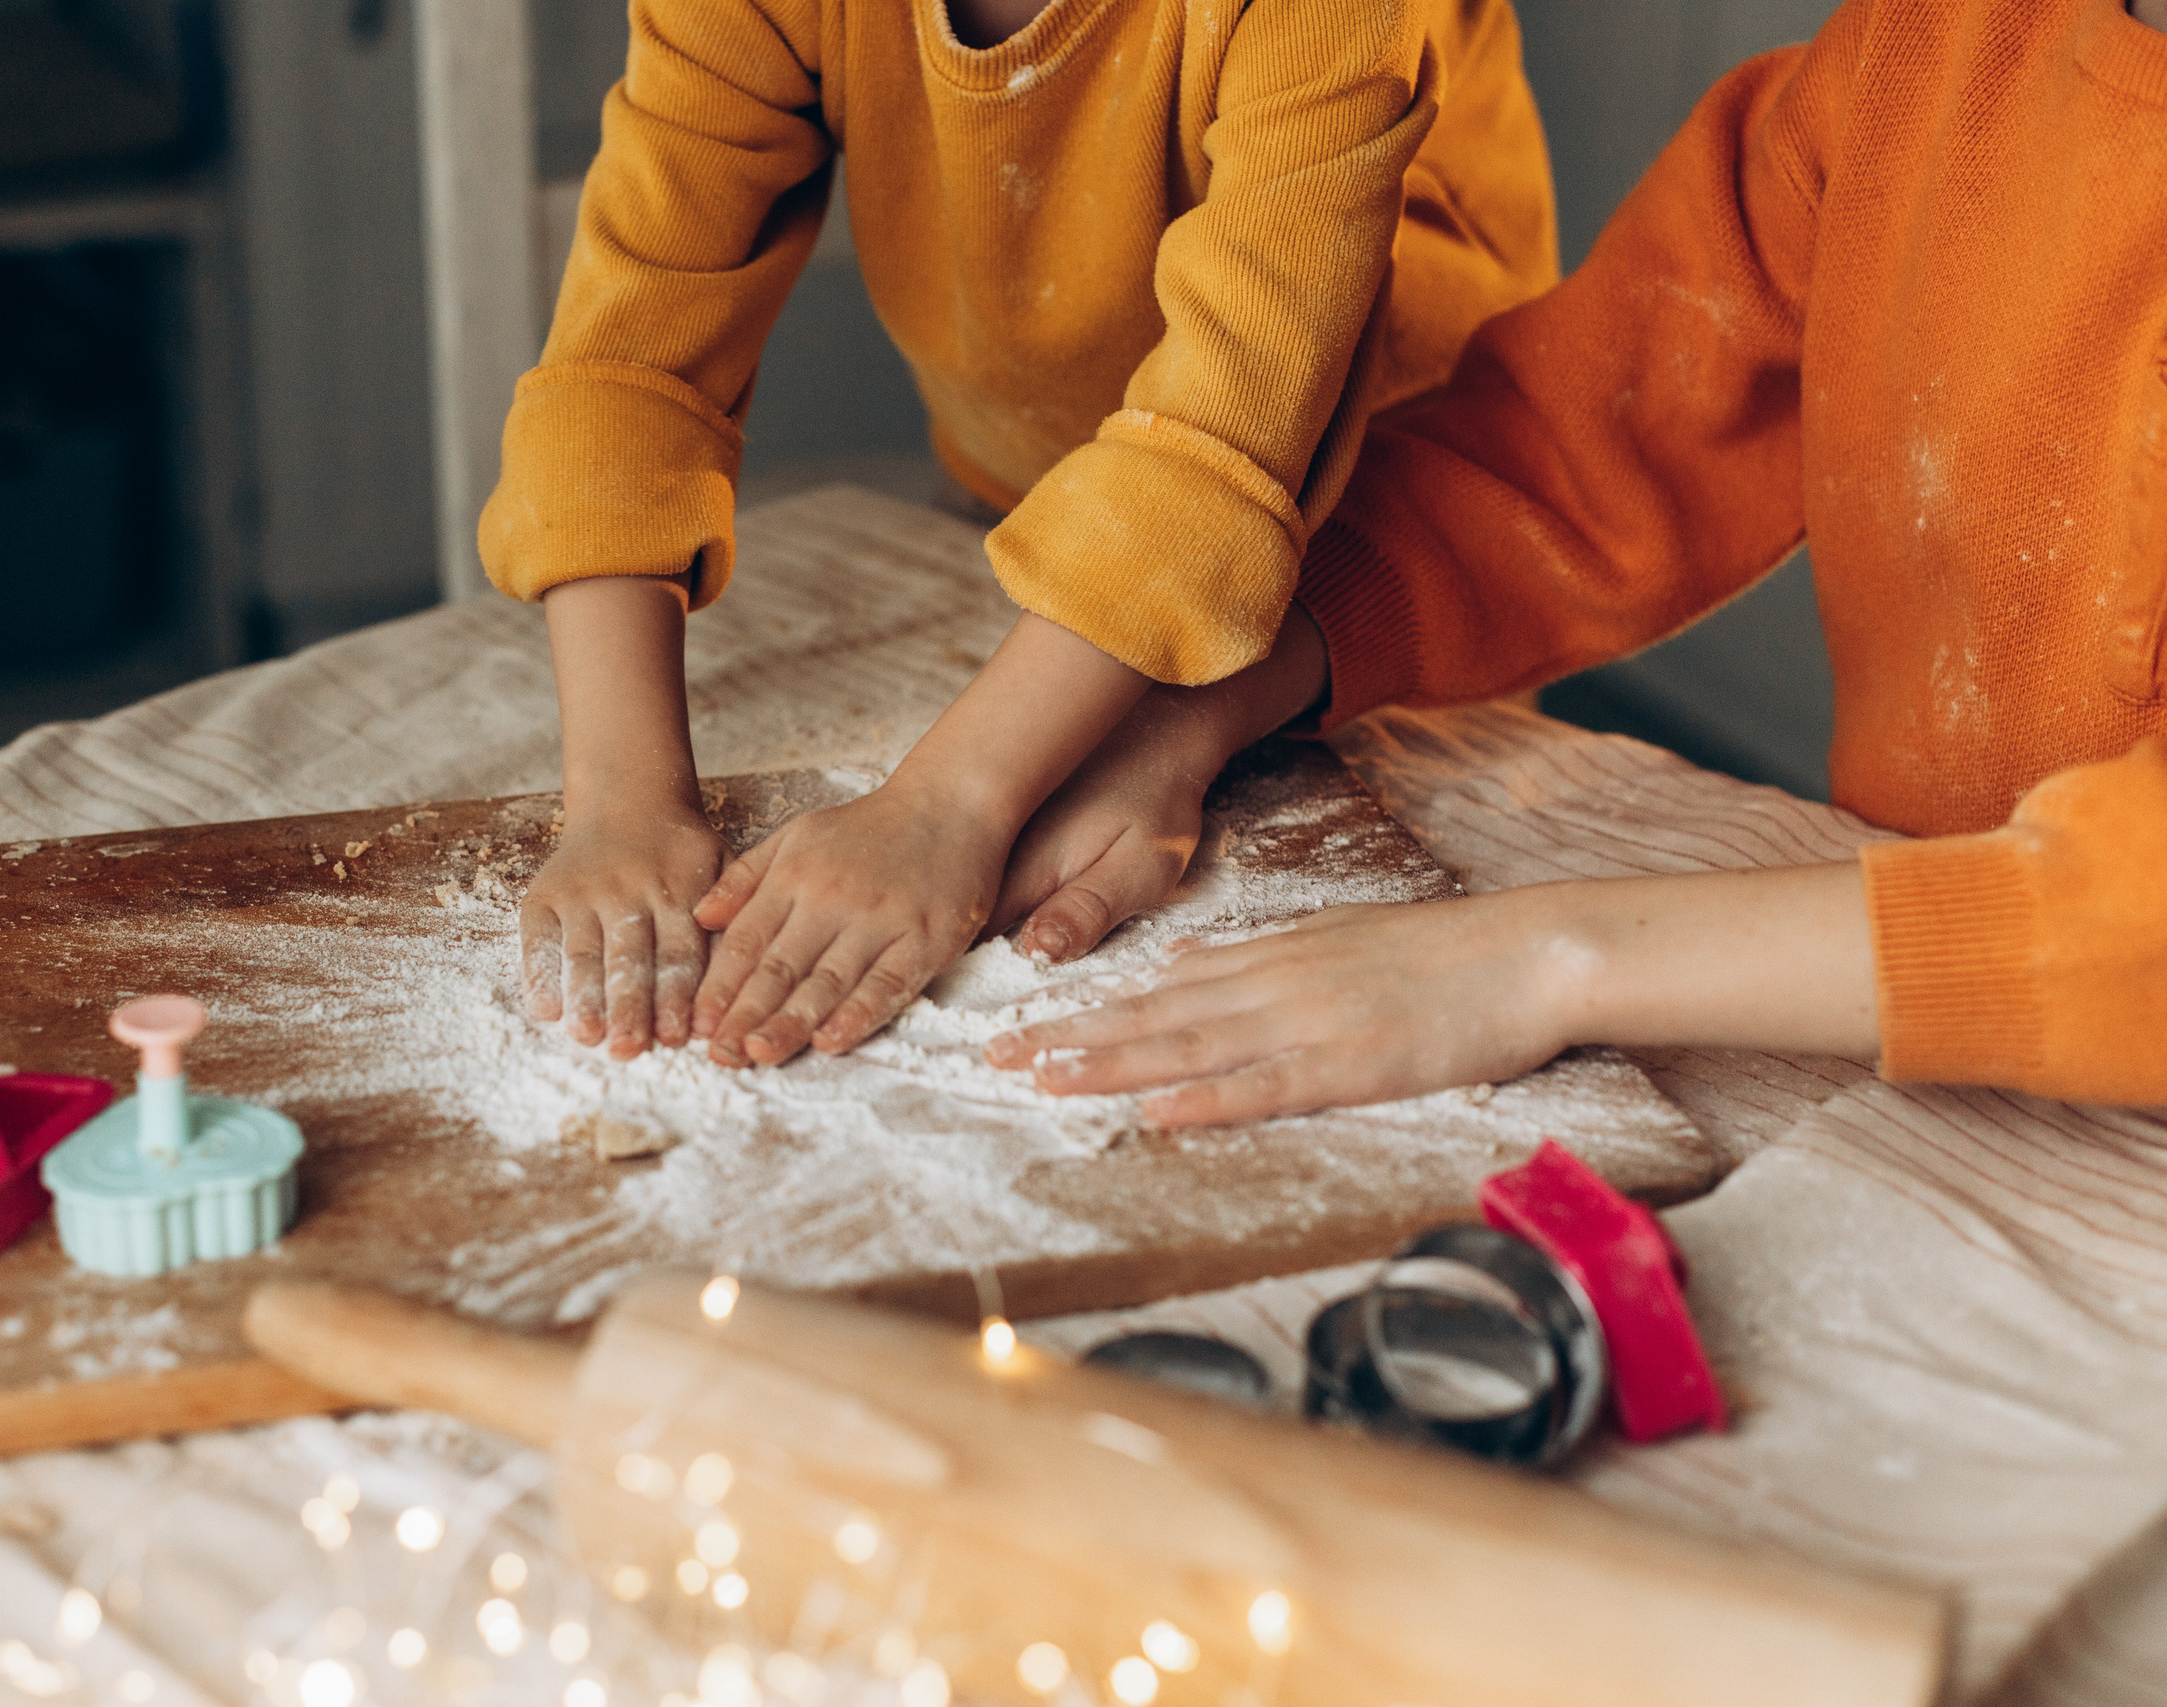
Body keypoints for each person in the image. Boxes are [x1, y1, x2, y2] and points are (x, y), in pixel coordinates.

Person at [986, 0, 2167, 1119]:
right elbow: (1569, 451)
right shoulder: (1927, 49)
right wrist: (1203, 707)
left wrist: (1548, 959)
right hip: (1907, 1039)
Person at [478, 0, 1558, 1065]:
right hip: (1057, 512)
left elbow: (1231, 431)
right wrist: (623, 801)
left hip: (1388, 532)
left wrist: (951, 800)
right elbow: (629, 362)